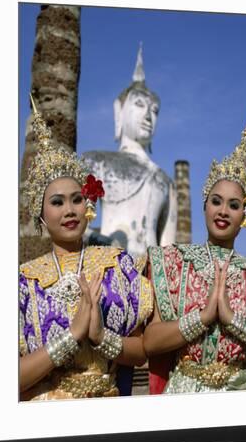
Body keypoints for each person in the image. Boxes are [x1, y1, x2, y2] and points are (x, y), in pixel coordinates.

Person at [19, 95, 153, 401]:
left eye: (76, 199)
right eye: (57, 202)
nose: (69, 210)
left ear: (87, 205)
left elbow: (141, 349)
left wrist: (100, 337)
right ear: (41, 215)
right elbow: (9, 375)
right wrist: (71, 337)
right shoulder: (24, 281)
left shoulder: (115, 264)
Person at [144, 114, 246, 394]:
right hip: (184, 392)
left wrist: (232, 320)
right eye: (216, 202)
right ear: (205, 205)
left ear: (245, 215)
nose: (223, 211)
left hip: (240, 394)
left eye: (234, 205)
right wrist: (202, 318)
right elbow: (150, 342)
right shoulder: (171, 262)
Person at [83, 44, 177, 257]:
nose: (148, 116)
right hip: (105, 266)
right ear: (119, 110)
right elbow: (72, 225)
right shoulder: (96, 162)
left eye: (154, 110)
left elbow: (168, 248)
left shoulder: (165, 181)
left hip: (149, 275)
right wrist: (99, 241)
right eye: (139, 104)